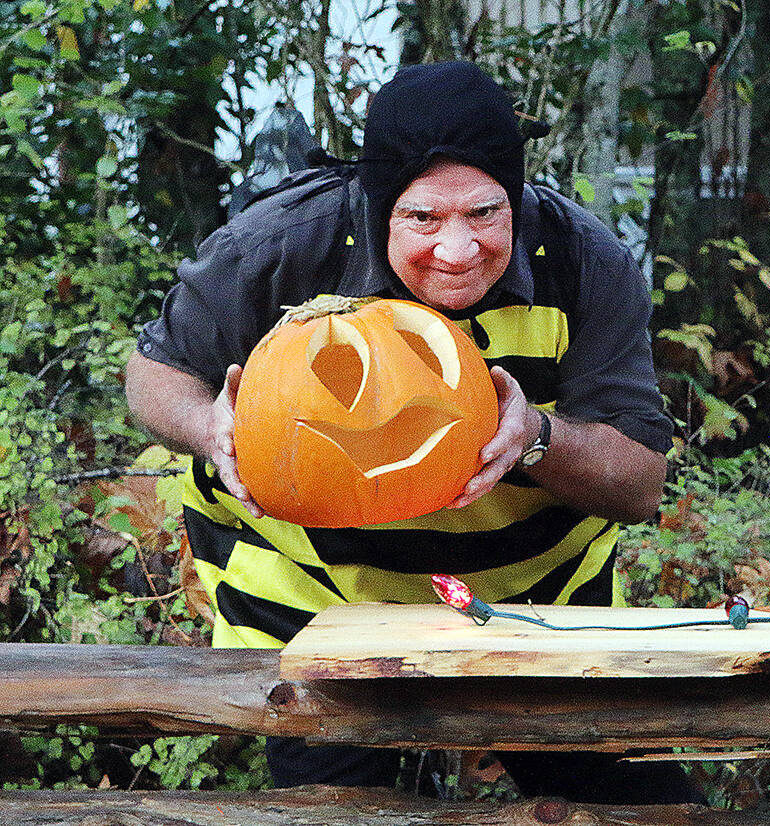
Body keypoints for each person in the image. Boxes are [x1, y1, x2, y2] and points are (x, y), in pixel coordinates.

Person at [125, 60, 698, 802]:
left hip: (531, 610)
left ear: (517, 199)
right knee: (333, 814)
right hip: (314, 602)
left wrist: (536, 437)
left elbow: (640, 483)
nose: (456, 252)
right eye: (423, 218)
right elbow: (153, 374)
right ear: (376, 206)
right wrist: (212, 426)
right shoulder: (282, 245)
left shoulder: (585, 264)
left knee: (635, 812)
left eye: (486, 214)